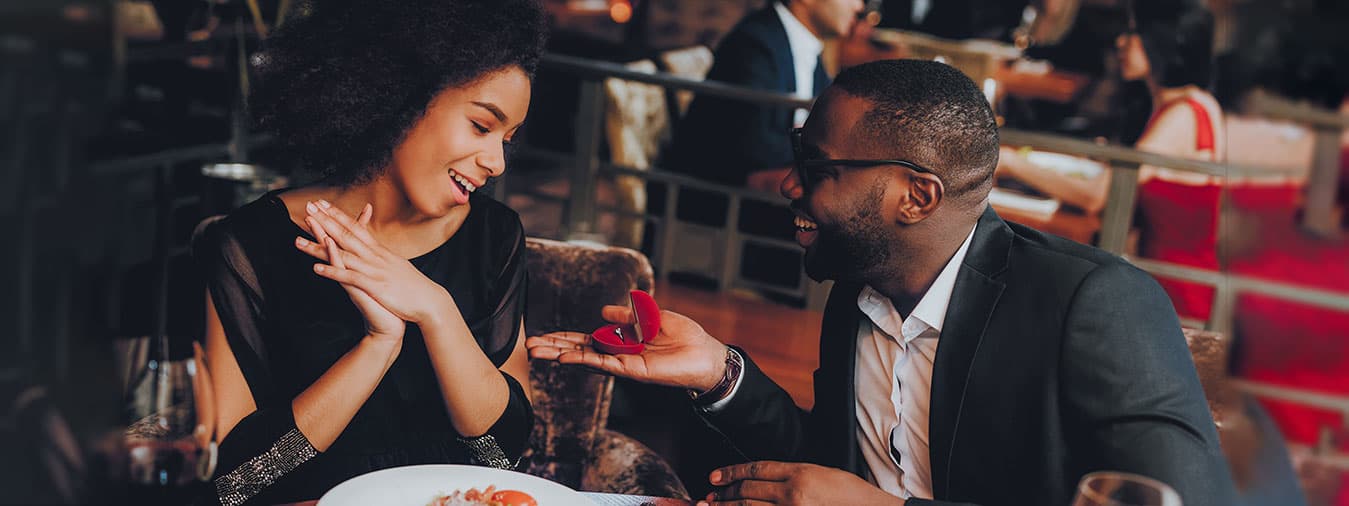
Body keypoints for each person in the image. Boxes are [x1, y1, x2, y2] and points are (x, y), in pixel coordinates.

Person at [528, 59, 1237, 506]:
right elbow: (832, 470)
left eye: (817, 166)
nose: (788, 183)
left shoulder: (1092, 304)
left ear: (917, 197)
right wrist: (720, 373)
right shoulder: (862, 289)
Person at [192, 1, 547, 504]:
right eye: (481, 126)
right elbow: (236, 484)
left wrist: (435, 309)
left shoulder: (495, 236)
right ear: (402, 96)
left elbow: (500, 459)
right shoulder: (246, 247)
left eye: (508, 140)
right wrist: (377, 344)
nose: (496, 162)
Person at [995, 6, 1225, 322]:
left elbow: (1099, 194)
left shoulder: (1183, 115)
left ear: (1164, 42)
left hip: (1172, 299)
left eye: (1133, 32)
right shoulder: (1198, 104)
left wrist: (1009, 162)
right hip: (1171, 287)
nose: (1120, 42)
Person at [666, 0, 865, 191]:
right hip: (711, 202)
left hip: (758, 197)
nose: (859, 6)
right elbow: (754, 149)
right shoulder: (754, 44)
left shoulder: (807, 50)